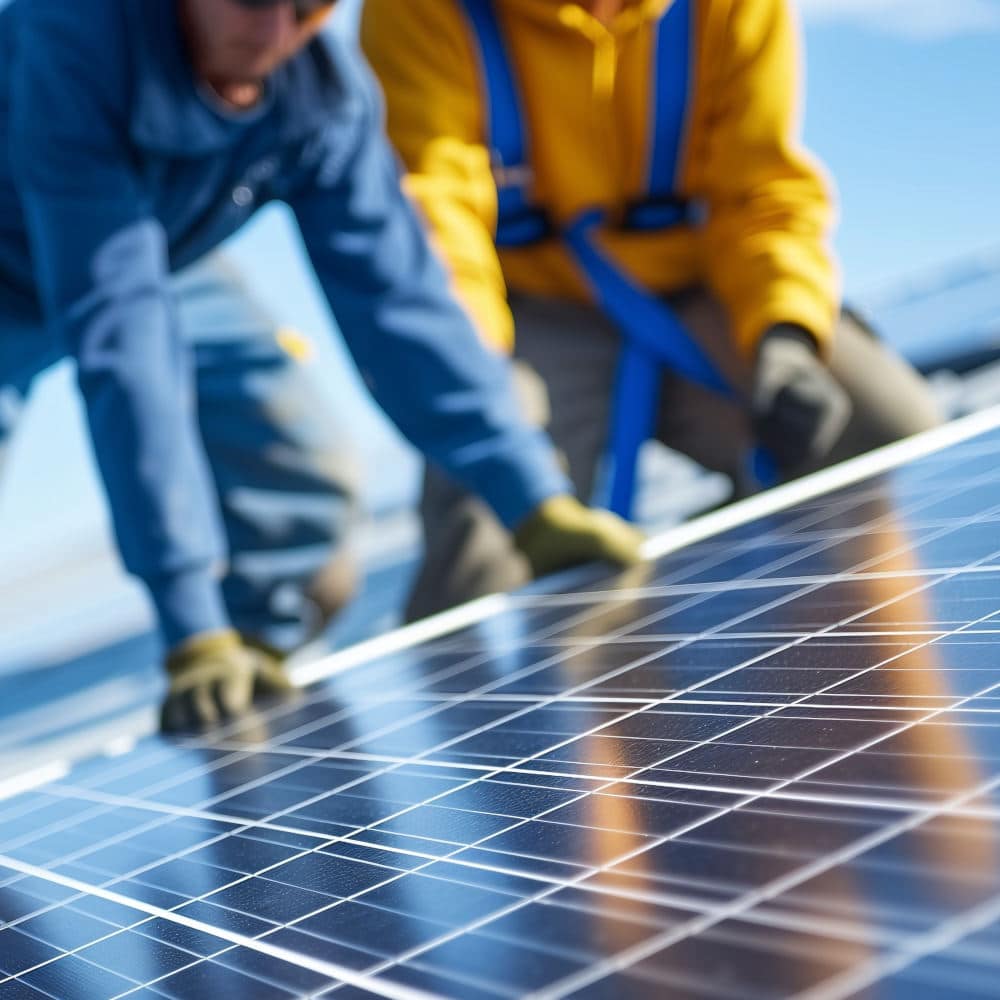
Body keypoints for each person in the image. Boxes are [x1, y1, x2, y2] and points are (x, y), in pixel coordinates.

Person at [0, 0, 642, 732]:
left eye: (307, 9)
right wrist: (188, 623)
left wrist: (535, 500)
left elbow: (399, 304)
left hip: (160, 253)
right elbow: (121, 340)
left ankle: (245, 718)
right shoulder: (71, 40)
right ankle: (206, 644)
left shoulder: (321, 90)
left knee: (303, 504)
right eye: (250, 0)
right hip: (56, 259)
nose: (275, 35)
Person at [360, 0, 945, 622]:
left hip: (705, 287)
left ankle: (778, 626)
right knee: (486, 509)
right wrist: (476, 381)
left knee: (882, 427)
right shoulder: (421, 12)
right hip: (529, 311)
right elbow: (433, 219)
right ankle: (493, 697)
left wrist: (785, 329)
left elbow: (760, 187)